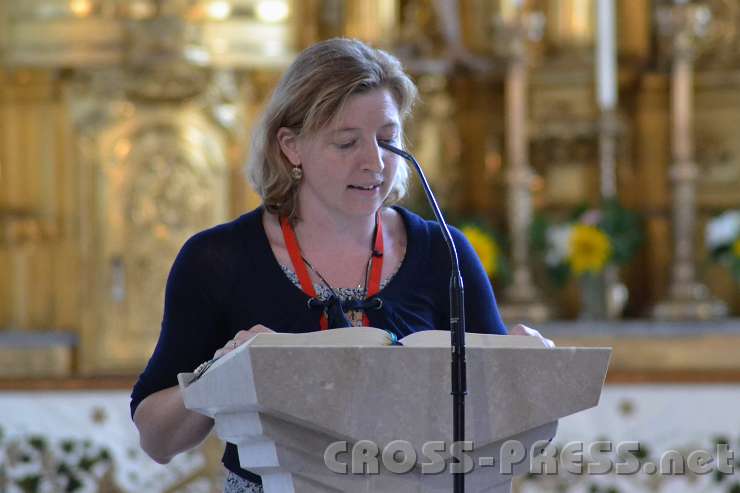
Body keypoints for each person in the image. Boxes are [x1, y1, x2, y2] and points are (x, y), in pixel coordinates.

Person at [130, 37, 552, 493]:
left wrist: (529, 372)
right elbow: (157, 440)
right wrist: (222, 374)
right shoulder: (217, 258)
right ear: (291, 146)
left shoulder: (444, 252)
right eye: (346, 143)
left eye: (388, 140)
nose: (374, 163)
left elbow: (505, 434)